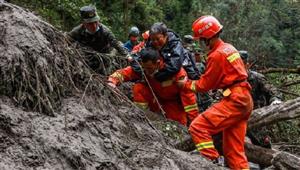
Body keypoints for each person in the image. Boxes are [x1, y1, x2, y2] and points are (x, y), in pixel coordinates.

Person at [182, 16, 253, 169]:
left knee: (198, 127)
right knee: (234, 152)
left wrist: (185, 84)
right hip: (244, 98)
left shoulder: (216, 55)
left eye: (201, 39)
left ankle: (213, 163)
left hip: (235, 99)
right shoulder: (229, 47)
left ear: (207, 37)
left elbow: (204, 85)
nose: (201, 43)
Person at [107, 48, 199, 126]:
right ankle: (142, 117)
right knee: (139, 88)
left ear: (158, 63)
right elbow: (125, 72)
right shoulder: (144, 68)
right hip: (155, 98)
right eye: (145, 68)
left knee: (178, 126)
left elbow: (189, 98)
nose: (147, 72)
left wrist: (194, 121)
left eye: (150, 68)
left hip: (173, 103)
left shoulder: (175, 72)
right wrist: (112, 81)